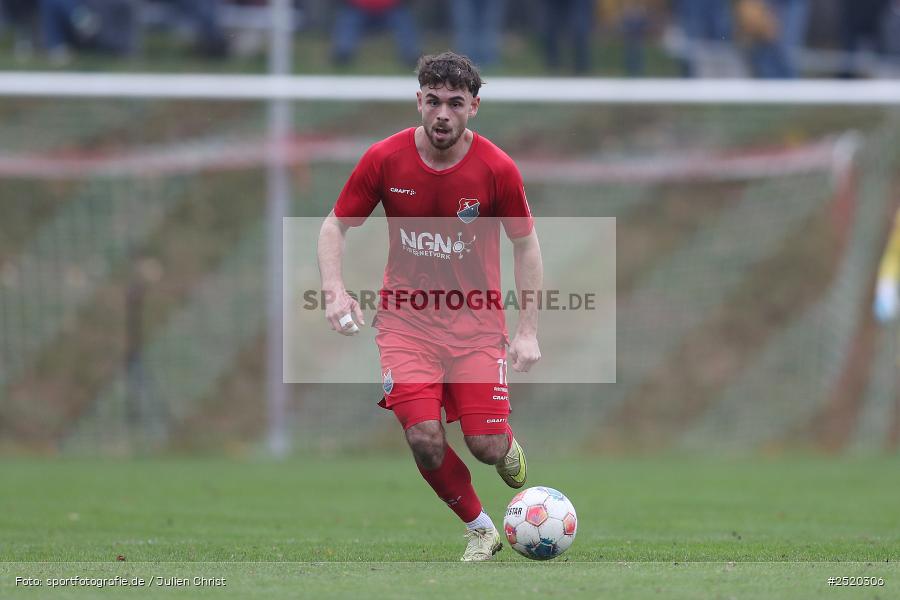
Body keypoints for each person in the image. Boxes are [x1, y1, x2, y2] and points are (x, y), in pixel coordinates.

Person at [316, 52, 542, 561]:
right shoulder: (384, 159)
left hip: (478, 326)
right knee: (424, 438)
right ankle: (482, 529)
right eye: (434, 101)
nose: (443, 113)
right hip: (405, 325)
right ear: (419, 100)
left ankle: (504, 444)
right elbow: (335, 225)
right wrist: (335, 290)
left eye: (455, 103)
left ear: (474, 108)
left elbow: (526, 245)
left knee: (485, 447)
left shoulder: (496, 168)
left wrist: (528, 330)